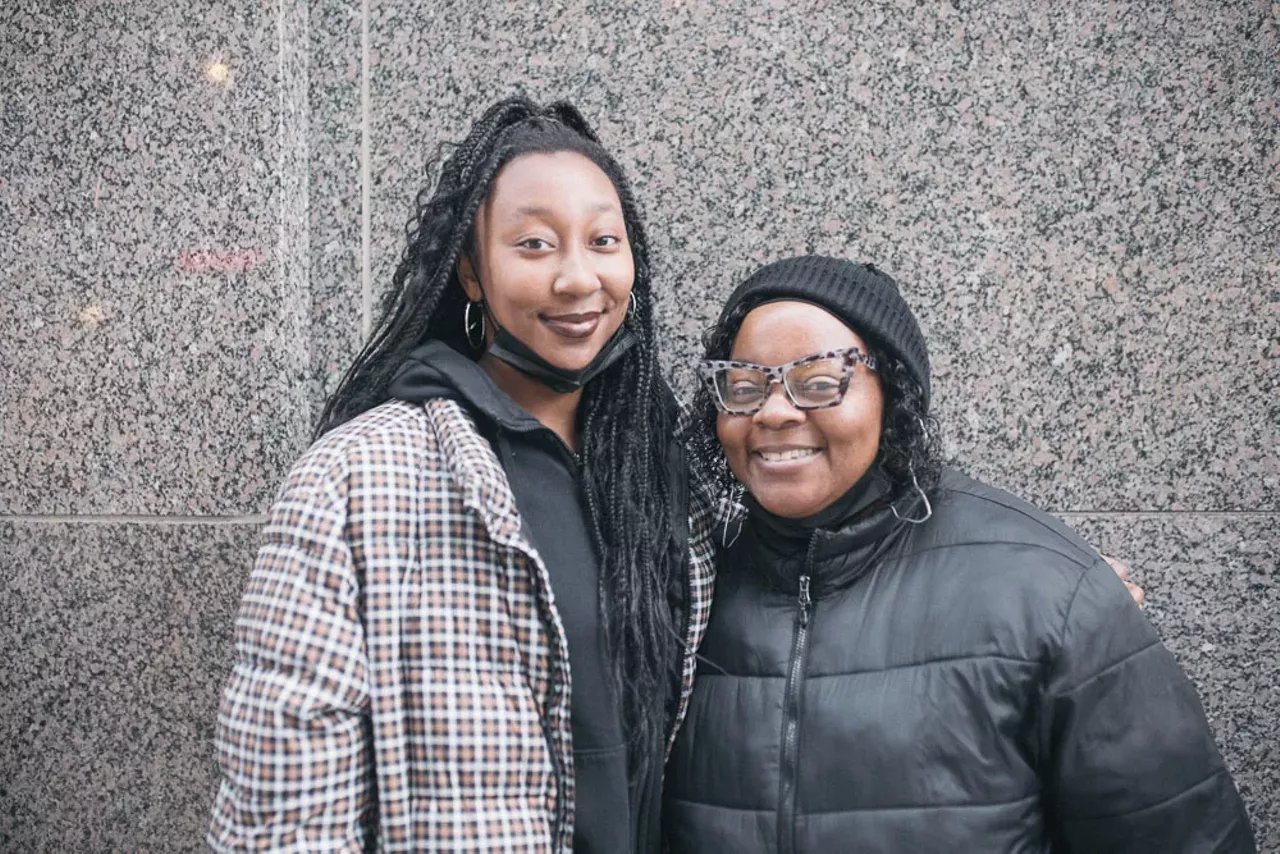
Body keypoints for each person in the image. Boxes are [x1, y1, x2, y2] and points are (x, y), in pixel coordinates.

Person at [207, 97, 717, 852]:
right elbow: (285, 814)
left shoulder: (671, 471)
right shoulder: (359, 476)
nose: (579, 278)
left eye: (604, 241)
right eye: (536, 244)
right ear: (472, 274)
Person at [663, 255, 1254, 852]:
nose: (773, 411)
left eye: (818, 382)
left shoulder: (1046, 590)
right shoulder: (685, 586)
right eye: (743, 387)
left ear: (893, 394)